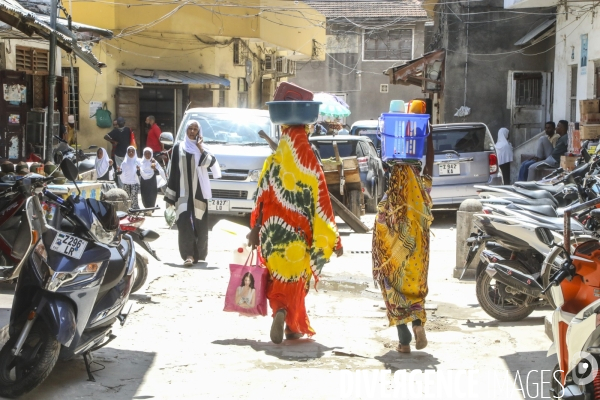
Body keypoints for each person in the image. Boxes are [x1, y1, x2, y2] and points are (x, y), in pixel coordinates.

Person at [247, 124, 343, 344]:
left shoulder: (271, 164)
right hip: (300, 238)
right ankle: (291, 325)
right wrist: (334, 240)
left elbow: (260, 198)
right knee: (296, 281)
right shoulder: (311, 166)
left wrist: (255, 228)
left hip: (272, 235)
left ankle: (280, 310)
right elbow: (323, 205)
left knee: (275, 278)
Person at [372, 99, 434, 354]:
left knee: (393, 285)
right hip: (418, 252)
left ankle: (404, 341)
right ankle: (418, 323)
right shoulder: (423, 187)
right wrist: (428, 135)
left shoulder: (392, 194)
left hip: (395, 252)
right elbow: (429, 160)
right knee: (415, 287)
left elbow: (381, 223)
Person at [165, 120, 221, 266]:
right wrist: (170, 196)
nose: (192, 131)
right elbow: (174, 172)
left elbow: (211, 163)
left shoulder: (202, 148)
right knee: (184, 222)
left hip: (199, 192)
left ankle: (199, 254)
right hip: (182, 192)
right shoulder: (179, 147)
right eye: (190, 128)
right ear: (186, 130)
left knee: (199, 222)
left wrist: (200, 147)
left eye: (195, 129)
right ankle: (188, 255)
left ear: (199, 132)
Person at [104, 117, 132, 187]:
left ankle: (121, 186)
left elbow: (105, 137)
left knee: (119, 170)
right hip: (126, 154)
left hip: (119, 153)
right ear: (124, 123)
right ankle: (127, 185)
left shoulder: (115, 131)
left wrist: (113, 141)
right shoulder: (128, 130)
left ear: (118, 124)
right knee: (127, 169)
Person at [138, 147, 166, 211]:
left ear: (151, 154)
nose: (147, 155)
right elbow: (138, 172)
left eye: (149, 153)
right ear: (143, 154)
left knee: (152, 194)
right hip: (144, 181)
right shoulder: (141, 162)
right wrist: (138, 169)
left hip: (152, 181)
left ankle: (151, 207)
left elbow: (160, 171)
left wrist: (155, 168)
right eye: (146, 153)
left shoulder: (154, 162)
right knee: (144, 194)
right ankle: (146, 207)